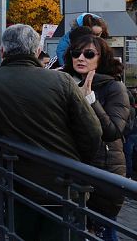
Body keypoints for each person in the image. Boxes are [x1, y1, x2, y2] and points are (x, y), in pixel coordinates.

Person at [0, 24, 102, 240]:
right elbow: (93, 131)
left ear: (2, 51)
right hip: (63, 183)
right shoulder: (62, 80)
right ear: (37, 51)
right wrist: (77, 160)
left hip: (16, 181)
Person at [62, 34, 130, 239]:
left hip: (103, 168)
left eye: (89, 53)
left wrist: (90, 99)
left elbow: (113, 132)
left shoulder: (114, 87)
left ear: (101, 58)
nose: (81, 58)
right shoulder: (66, 82)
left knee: (104, 230)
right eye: (76, 53)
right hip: (72, 168)